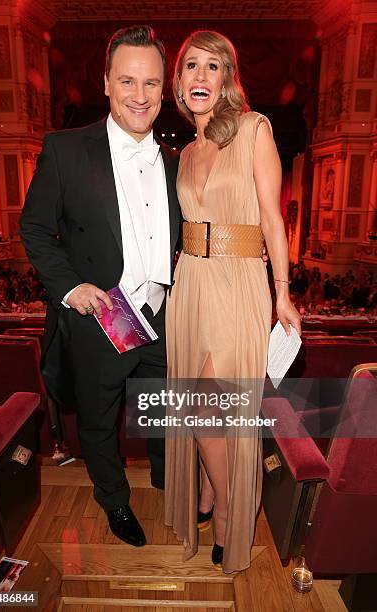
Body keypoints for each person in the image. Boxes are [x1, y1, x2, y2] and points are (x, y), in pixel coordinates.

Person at [20, 25, 181, 548]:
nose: (140, 95)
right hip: (103, 315)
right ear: (107, 84)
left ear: (164, 90)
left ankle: (166, 483)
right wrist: (70, 288)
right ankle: (113, 500)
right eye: (128, 81)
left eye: (151, 83)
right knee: (98, 420)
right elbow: (35, 230)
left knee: (161, 408)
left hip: (159, 314)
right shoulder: (65, 150)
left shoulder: (176, 162)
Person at [165, 30, 301, 573]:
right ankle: (203, 495)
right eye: (191, 67)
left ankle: (225, 506)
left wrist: (283, 294)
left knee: (205, 407)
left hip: (237, 280)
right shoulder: (185, 153)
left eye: (212, 67)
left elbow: (272, 217)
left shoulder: (253, 129)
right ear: (178, 82)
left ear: (227, 79)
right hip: (189, 283)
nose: (200, 77)